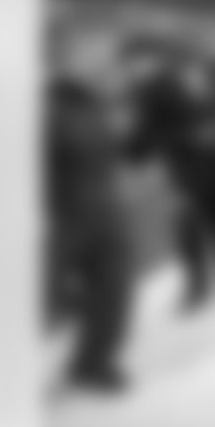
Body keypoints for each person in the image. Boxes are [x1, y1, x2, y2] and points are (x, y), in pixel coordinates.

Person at [125, 48, 215, 313]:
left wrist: (130, 153)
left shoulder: (154, 88)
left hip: (193, 167)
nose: (133, 71)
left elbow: (148, 130)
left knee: (192, 228)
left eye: (134, 64)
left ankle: (198, 289)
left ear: (146, 60)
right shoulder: (208, 76)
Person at [46, 44, 136, 393]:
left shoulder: (100, 105)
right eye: (93, 56)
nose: (105, 64)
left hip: (107, 210)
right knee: (43, 298)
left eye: (105, 58)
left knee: (114, 291)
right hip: (63, 214)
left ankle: (93, 364)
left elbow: (121, 153)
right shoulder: (47, 105)